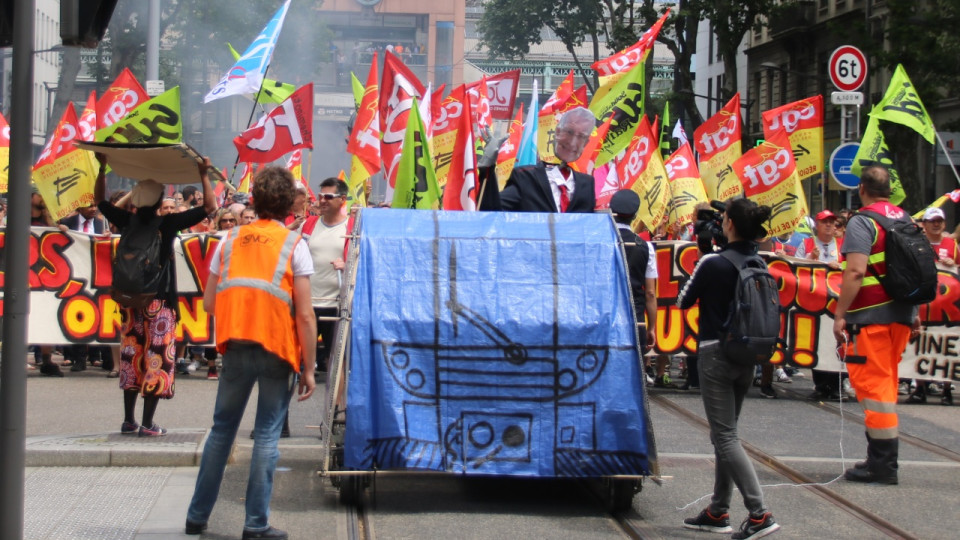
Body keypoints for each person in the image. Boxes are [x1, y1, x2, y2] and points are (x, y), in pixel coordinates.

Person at [185, 166, 316, 539]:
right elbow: (305, 316)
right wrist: (310, 368)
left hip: (235, 345)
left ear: (254, 201)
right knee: (267, 436)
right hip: (276, 348)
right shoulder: (295, 245)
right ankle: (255, 525)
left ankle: (197, 517)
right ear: (290, 203)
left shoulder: (228, 241)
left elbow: (210, 303)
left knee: (221, 432)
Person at [678, 198, 780, 539]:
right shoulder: (759, 261)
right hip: (748, 355)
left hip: (715, 353)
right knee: (726, 434)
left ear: (730, 225)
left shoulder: (713, 262)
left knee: (724, 435)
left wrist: (703, 253)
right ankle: (718, 509)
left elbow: (683, 301)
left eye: (722, 218)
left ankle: (759, 513)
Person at [95, 153, 217, 437]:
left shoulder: (126, 220)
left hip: (130, 301)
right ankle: (149, 424)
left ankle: (129, 420)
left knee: (131, 356)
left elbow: (99, 201)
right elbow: (210, 207)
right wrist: (203, 174)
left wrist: (103, 166)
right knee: (156, 359)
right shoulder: (167, 225)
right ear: (159, 199)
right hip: (159, 303)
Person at [832, 165, 922, 485]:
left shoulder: (863, 222)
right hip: (900, 317)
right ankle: (879, 459)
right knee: (884, 387)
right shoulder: (906, 219)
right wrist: (915, 313)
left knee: (876, 390)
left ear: (862, 189)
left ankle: (883, 465)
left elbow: (855, 272)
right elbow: (918, 269)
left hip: (870, 319)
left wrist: (840, 313)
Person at [500, 107, 596, 213]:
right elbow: (493, 210)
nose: (572, 142)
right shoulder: (526, 177)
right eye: (569, 132)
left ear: (586, 143)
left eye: (581, 136)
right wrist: (487, 167)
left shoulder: (587, 184)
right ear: (558, 132)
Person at [800, 210, 852, 402]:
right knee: (817, 343)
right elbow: (794, 271)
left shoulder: (842, 246)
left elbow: (852, 267)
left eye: (833, 222)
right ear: (817, 225)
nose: (830, 226)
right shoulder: (806, 244)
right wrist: (809, 259)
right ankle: (821, 385)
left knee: (836, 343)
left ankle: (838, 386)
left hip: (836, 304)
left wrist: (840, 266)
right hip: (814, 304)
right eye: (825, 222)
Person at [300, 178, 349, 375]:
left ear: (342, 199)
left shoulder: (352, 227)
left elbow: (363, 261)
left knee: (337, 362)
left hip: (336, 306)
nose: (322, 201)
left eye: (328, 197)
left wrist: (348, 265)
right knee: (298, 357)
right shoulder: (308, 225)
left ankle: (338, 404)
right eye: (320, 196)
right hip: (308, 305)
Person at [907, 207, 955, 405]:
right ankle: (919, 387)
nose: (936, 224)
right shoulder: (917, 244)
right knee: (920, 346)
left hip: (947, 310)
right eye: (932, 221)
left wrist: (952, 263)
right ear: (924, 224)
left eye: (939, 221)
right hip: (923, 306)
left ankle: (946, 389)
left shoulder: (952, 244)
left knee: (945, 346)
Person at [609, 190, 657, 354]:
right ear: (635, 215)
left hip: (606, 319)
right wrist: (651, 327)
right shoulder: (646, 247)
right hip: (635, 320)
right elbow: (650, 293)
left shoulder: (602, 243)